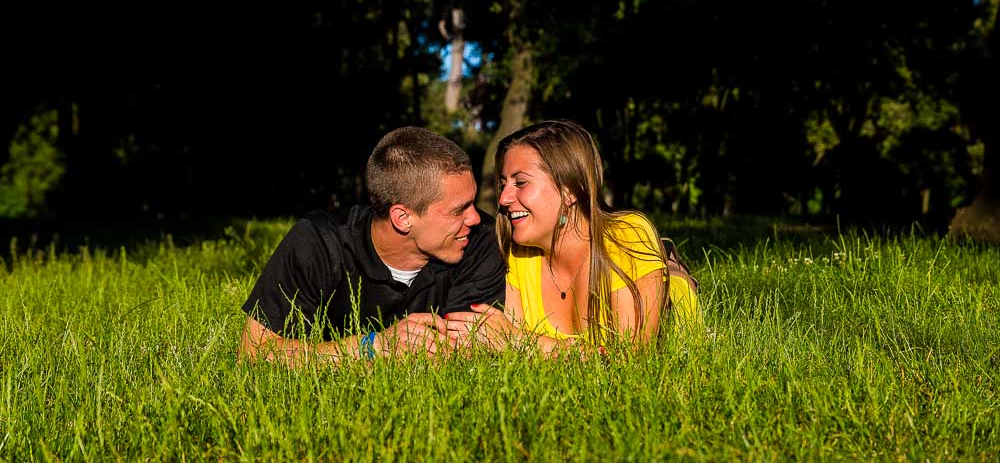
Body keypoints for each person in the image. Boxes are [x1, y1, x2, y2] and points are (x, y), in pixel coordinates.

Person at [239, 126, 505, 364]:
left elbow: (462, 354)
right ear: (402, 218)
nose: (474, 217)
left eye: (473, 203)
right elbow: (254, 352)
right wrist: (373, 346)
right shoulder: (319, 242)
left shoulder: (480, 240)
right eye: (458, 210)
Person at [445, 119, 698, 354]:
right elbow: (515, 358)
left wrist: (518, 340)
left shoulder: (628, 235)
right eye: (503, 184)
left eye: (520, 183)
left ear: (569, 190)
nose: (503, 199)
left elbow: (631, 359)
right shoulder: (520, 254)